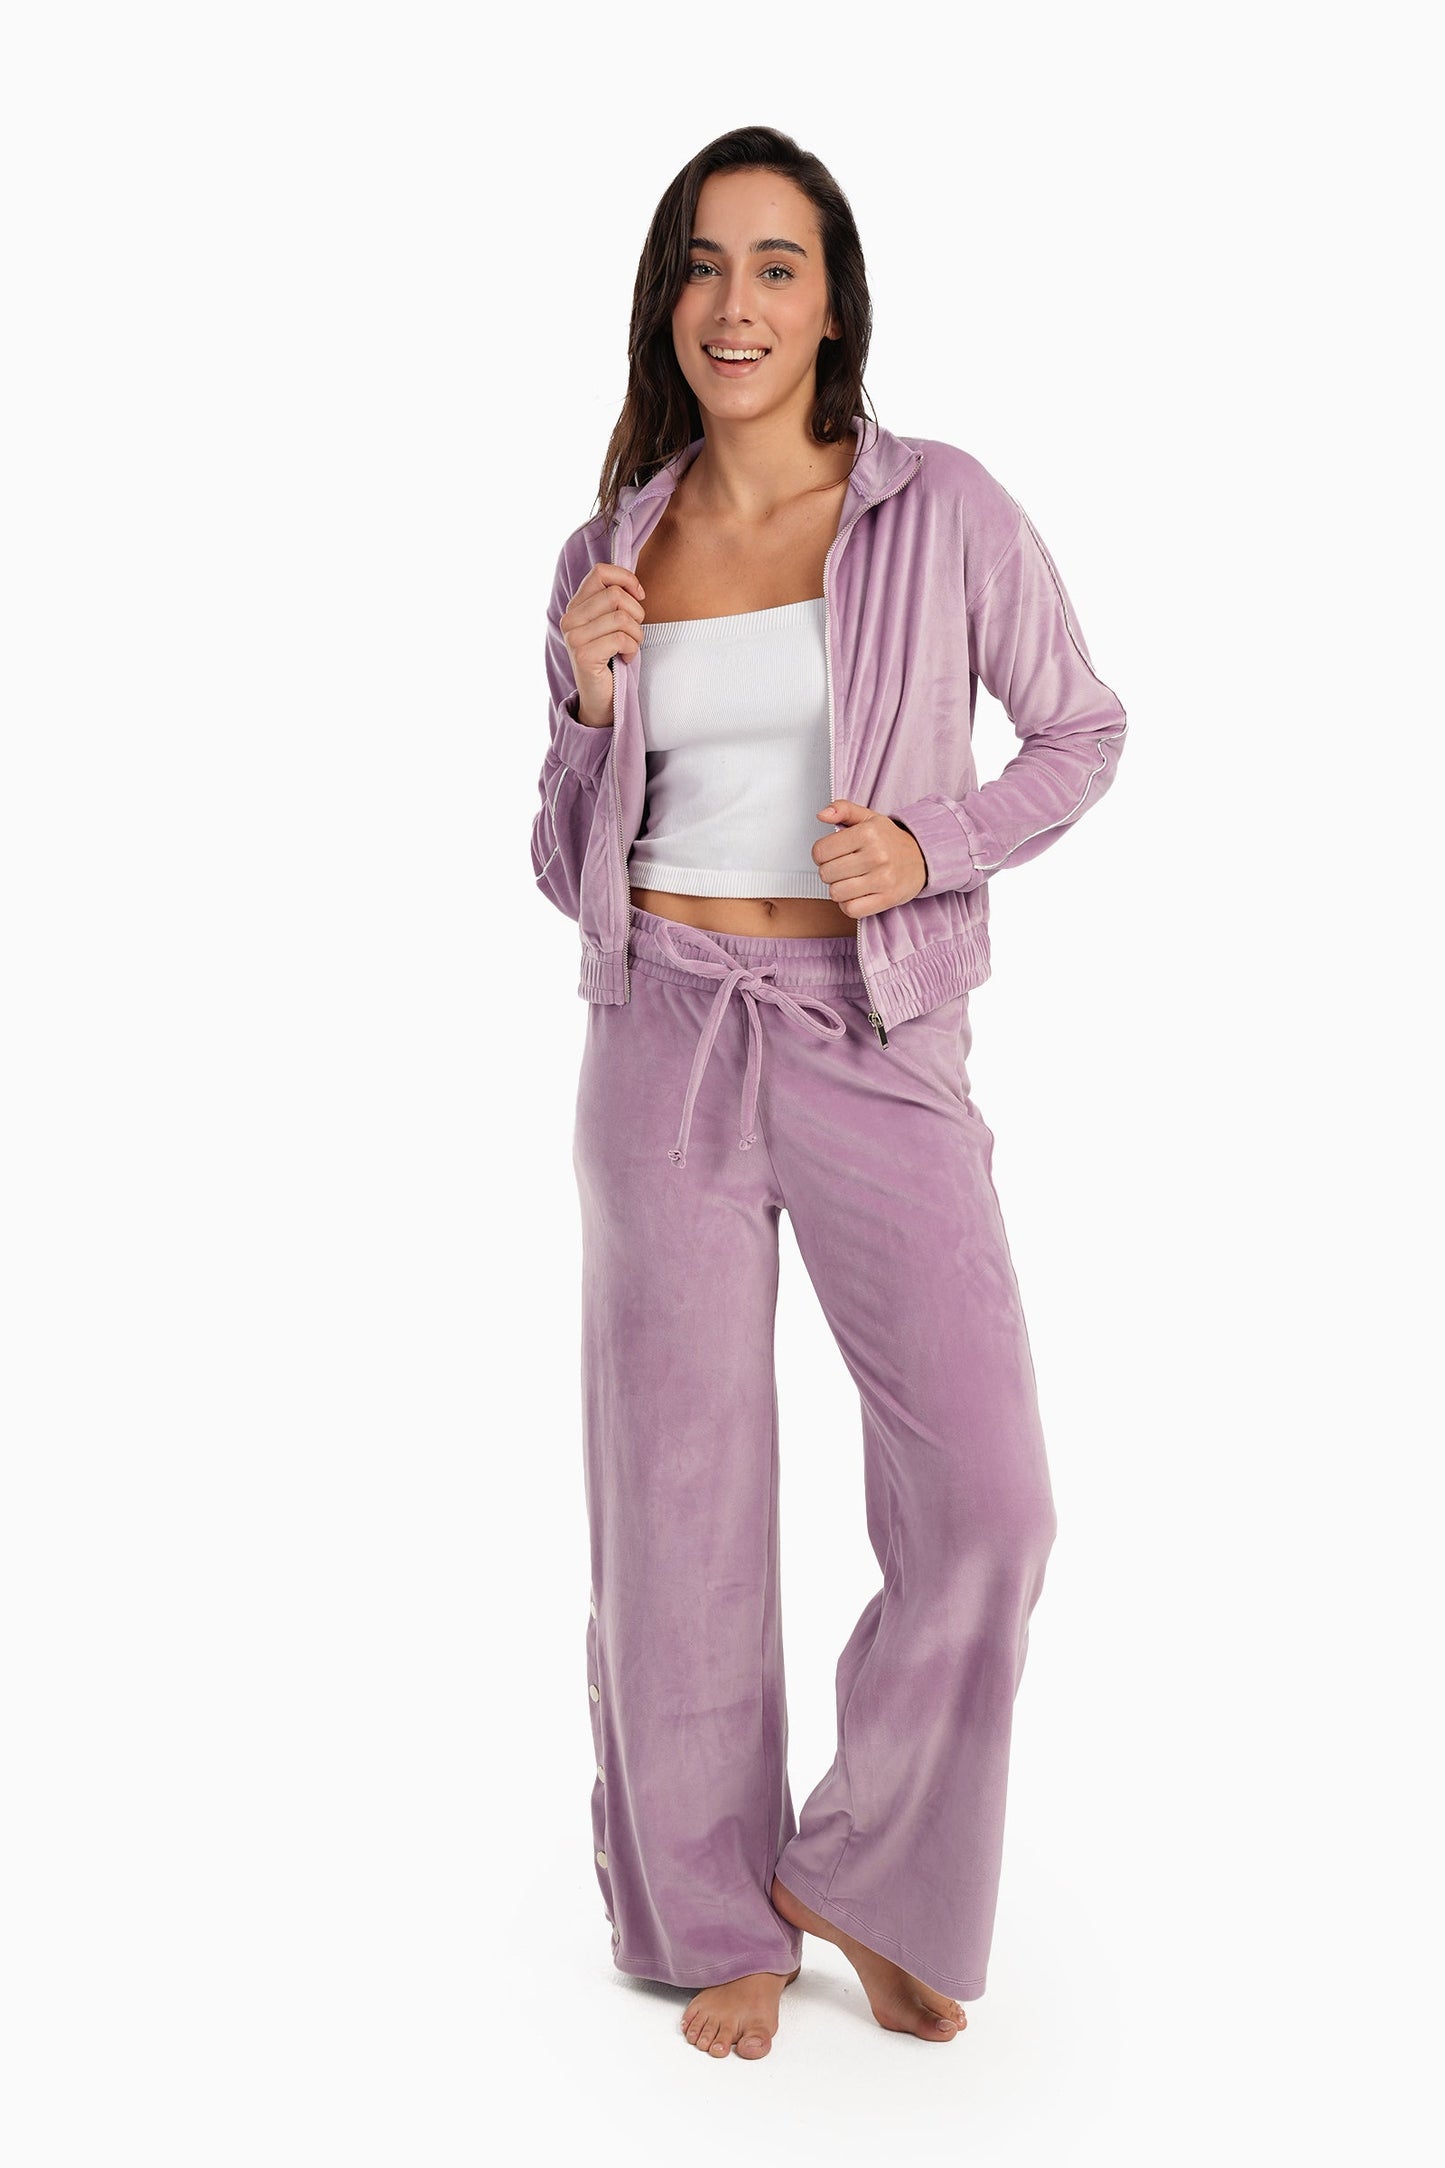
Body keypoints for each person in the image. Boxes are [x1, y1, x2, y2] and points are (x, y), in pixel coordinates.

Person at [531, 126, 1128, 2062]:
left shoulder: (938, 507)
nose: (737, 304)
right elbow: (559, 857)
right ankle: (711, 1912)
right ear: (667, 304)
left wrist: (931, 843)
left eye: (776, 266)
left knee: (989, 1499)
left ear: (833, 305)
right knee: (677, 1501)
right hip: (661, 1031)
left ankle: (863, 1874)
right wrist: (589, 708)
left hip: (875, 1031)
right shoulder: (611, 550)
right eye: (704, 267)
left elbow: (1080, 728)